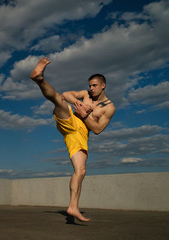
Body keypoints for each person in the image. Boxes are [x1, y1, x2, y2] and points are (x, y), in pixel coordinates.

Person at [30, 58, 115, 222]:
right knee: (59, 100)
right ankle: (39, 79)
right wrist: (78, 104)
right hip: (70, 122)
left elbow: (97, 129)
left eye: (94, 85)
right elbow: (66, 94)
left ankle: (73, 207)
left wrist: (86, 115)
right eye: (89, 85)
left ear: (103, 85)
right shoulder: (85, 94)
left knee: (80, 171)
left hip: (80, 135)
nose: (91, 88)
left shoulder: (110, 107)